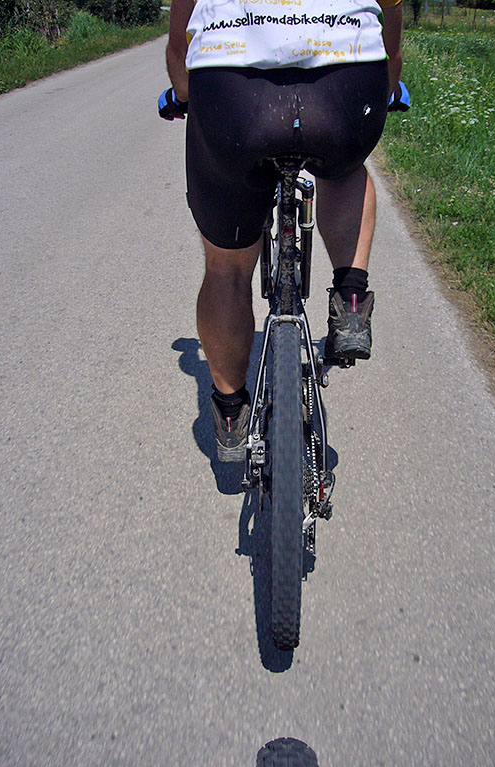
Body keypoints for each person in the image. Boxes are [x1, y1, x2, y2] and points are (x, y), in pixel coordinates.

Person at [162, 0, 403, 462]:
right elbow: (390, 40)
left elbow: (179, 48)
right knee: (346, 167)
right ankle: (351, 298)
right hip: (346, 76)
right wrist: (386, 87)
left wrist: (186, 95)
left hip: (233, 88)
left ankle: (232, 414)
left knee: (227, 269)